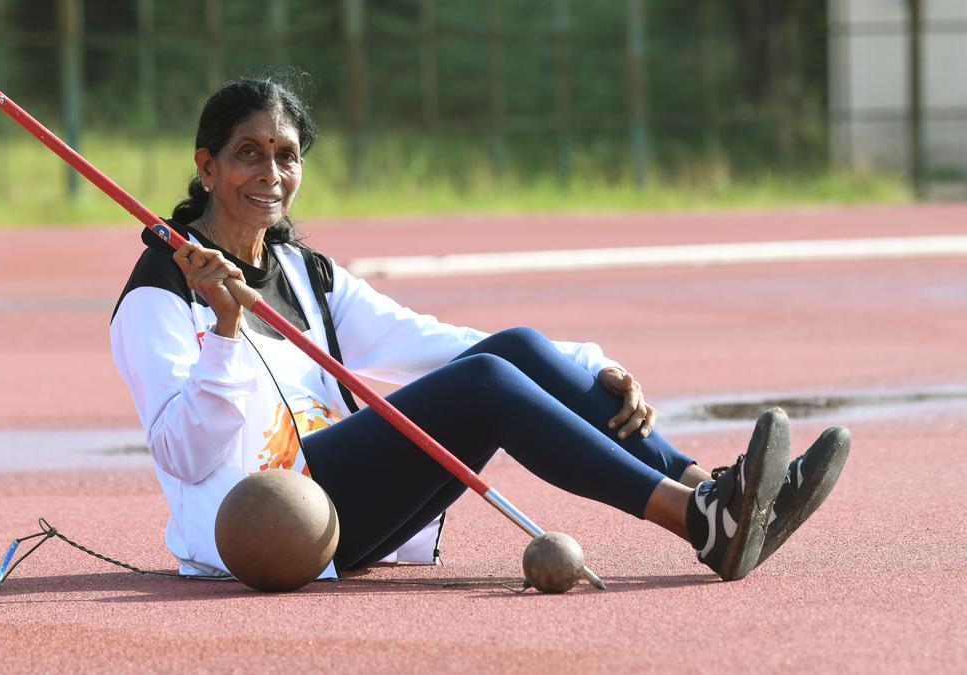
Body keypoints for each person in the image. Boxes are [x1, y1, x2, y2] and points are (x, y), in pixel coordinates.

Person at [109, 78, 850, 584]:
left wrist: (587, 364)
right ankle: (697, 522)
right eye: (248, 154)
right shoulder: (160, 294)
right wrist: (229, 332)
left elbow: (435, 339)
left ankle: (718, 490)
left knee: (515, 348)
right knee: (487, 386)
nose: (270, 172)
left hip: (338, 495)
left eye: (286, 154)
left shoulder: (305, 271)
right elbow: (184, 451)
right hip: (266, 523)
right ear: (206, 167)